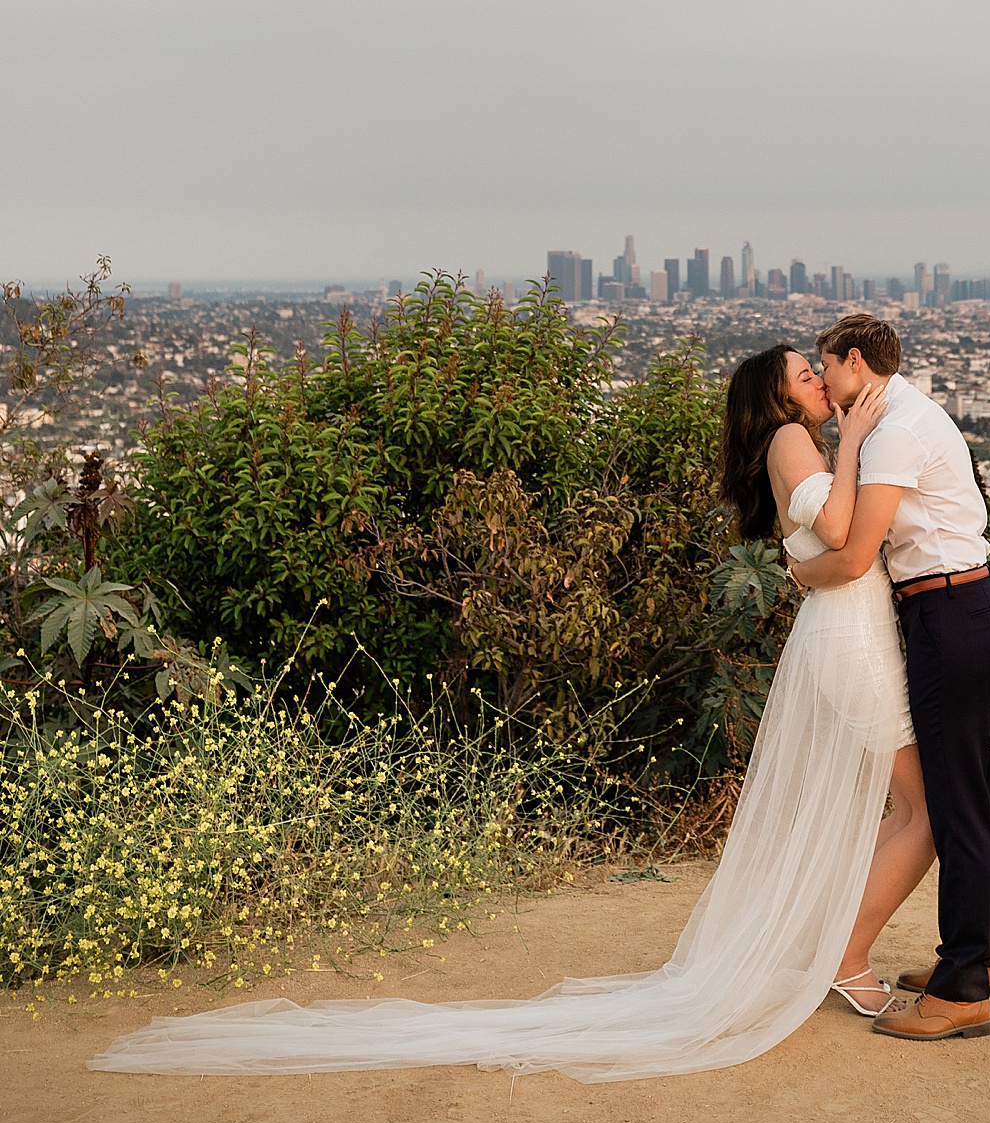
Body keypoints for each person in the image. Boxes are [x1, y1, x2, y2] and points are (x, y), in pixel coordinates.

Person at [91, 343, 932, 1082]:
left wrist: (835, 487)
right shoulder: (798, 439)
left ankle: (840, 948)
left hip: (846, 635)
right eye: (803, 372)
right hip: (849, 646)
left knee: (907, 803)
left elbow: (816, 553)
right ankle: (847, 954)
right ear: (775, 397)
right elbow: (842, 527)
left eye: (818, 370)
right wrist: (858, 437)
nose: (821, 378)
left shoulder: (796, 441)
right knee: (921, 806)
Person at [789, 313, 990, 1042]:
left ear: (856, 361)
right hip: (957, 602)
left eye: (826, 366)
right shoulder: (908, 410)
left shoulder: (889, 432)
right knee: (968, 782)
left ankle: (962, 986)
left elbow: (853, 555)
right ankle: (985, 957)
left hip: (946, 607)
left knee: (951, 793)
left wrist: (799, 572)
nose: (821, 381)